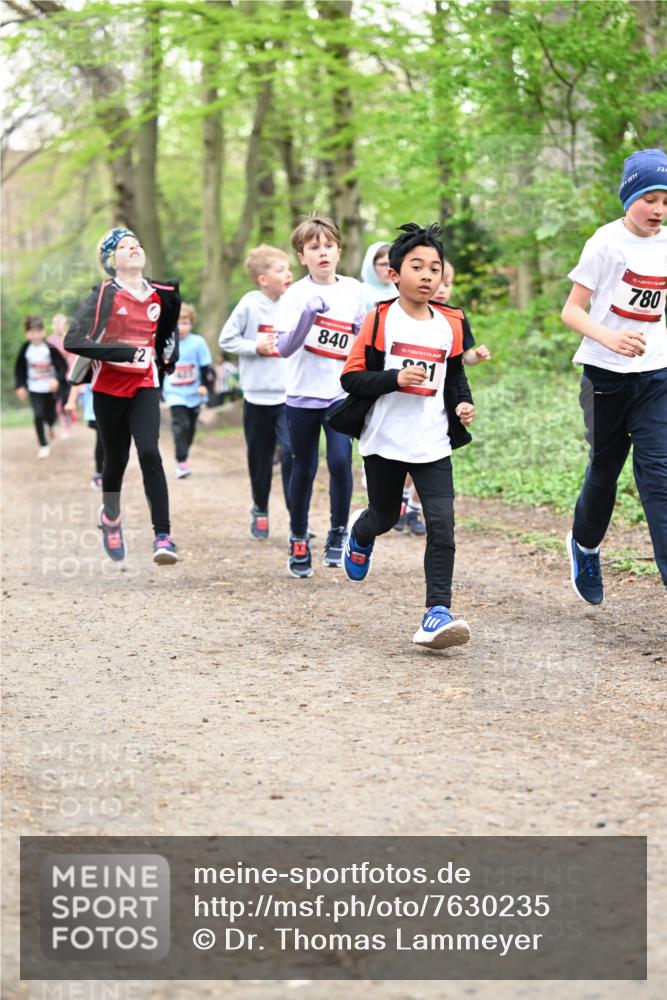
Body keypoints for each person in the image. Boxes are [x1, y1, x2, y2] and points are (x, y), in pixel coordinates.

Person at [332, 222, 475, 649]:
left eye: (435, 268)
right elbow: (351, 379)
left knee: (443, 526)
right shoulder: (379, 318)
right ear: (394, 274)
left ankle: (437, 612)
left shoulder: (450, 322)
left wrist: (462, 405)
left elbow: (456, 376)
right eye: (418, 266)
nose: (429, 275)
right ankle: (360, 532)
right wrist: (394, 378)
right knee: (386, 517)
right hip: (384, 440)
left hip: (432, 442)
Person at [562, 148, 667, 603]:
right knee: (605, 470)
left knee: (660, 477)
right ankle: (584, 545)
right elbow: (571, 311)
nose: (659, 210)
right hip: (605, 375)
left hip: (656, 376)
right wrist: (610, 338)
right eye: (650, 198)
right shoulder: (604, 243)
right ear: (629, 197)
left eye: (666, 200)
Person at [64, 227, 181, 565]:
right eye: (124, 246)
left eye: (137, 244)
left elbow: (167, 333)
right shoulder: (105, 294)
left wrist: (166, 357)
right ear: (111, 261)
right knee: (115, 462)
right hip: (107, 390)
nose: (134, 248)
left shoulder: (162, 294)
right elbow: (74, 340)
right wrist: (123, 353)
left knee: (149, 451)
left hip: (145, 385)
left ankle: (163, 535)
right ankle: (111, 516)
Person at [275, 215, 366, 577]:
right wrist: (308, 317)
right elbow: (284, 347)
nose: (323, 252)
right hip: (301, 395)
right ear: (302, 256)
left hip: (339, 393)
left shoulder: (354, 289)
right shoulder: (295, 295)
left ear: (339, 251)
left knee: (342, 462)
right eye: (314, 247)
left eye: (328, 246)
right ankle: (298, 537)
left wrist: (362, 334)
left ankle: (338, 533)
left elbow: (362, 339)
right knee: (305, 467)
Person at [393, 260, 492, 534]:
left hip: (443, 400)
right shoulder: (406, 314)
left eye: (447, 283)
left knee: (431, 455)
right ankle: (399, 502)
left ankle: (413, 512)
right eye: (438, 281)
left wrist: (477, 356)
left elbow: (463, 358)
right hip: (410, 398)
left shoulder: (455, 318)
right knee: (409, 459)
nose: (442, 288)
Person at [219, 244, 293, 539]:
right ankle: (260, 508)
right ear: (263, 279)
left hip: (288, 396)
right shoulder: (250, 305)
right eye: (280, 270)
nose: (288, 274)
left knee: (292, 454)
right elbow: (227, 339)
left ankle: (296, 518)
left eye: (289, 269)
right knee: (259, 458)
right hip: (256, 396)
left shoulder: (294, 303)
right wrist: (255, 348)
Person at [162, 303, 214, 479]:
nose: (181, 327)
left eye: (185, 323)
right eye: (177, 323)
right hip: (174, 393)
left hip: (194, 393)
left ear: (191, 323)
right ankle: (181, 461)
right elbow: (161, 366)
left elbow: (205, 366)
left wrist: (204, 386)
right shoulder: (166, 342)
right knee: (181, 424)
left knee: (190, 428)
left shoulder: (198, 342)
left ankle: (184, 450)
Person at [14, 315, 67, 458]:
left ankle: (51, 425)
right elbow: (19, 369)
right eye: (32, 332)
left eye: (38, 331)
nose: (35, 335)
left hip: (50, 387)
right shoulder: (25, 348)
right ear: (27, 334)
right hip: (34, 387)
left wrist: (57, 379)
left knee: (50, 414)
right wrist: (19, 386)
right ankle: (43, 445)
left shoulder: (49, 346)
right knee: (38, 414)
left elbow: (63, 365)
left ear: (43, 332)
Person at [65, 383, 104, 488]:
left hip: (119, 402)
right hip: (96, 406)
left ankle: (111, 472)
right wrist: (71, 401)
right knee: (102, 440)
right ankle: (99, 473)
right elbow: (78, 376)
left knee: (114, 441)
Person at [360, 241, 396, 312]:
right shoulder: (360, 292)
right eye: (383, 264)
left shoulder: (402, 290)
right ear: (371, 265)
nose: (389, 269)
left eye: (392, 264)